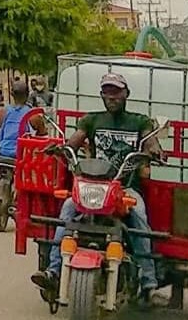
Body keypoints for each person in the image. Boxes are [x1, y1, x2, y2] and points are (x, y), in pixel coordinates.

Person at [35, 73, 160, 303]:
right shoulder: (91, 120)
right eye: (107, 92)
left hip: (124, 188)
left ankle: (148, 281)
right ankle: (53, 270)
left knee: (140, 215)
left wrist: (155, 150)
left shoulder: (140, 121)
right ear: (102, 95)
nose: (111, 97)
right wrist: (59, 148)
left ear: (126, 94)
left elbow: (150, 140)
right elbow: (74, 141)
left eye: (116, 92)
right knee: (67, 210)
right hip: (93, 187)